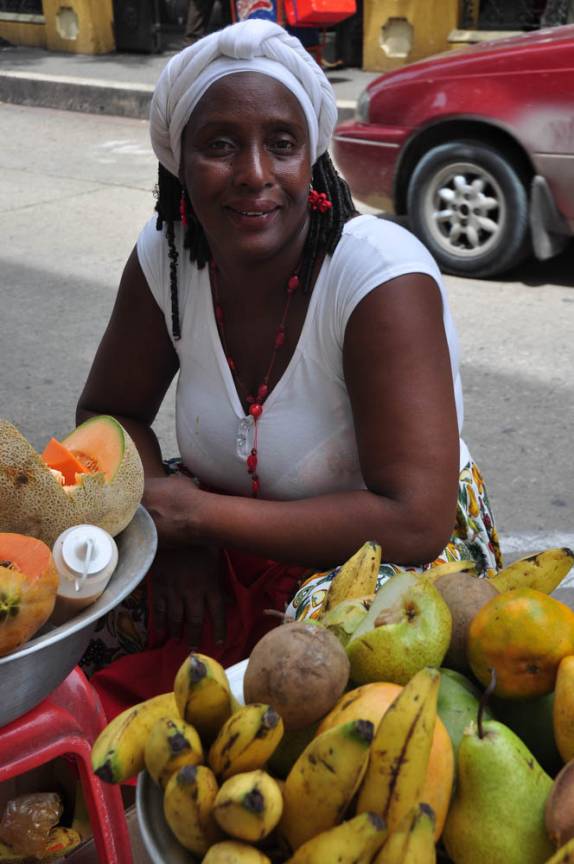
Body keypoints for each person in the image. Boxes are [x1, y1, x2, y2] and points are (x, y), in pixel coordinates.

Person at [76, 19, 502, 720]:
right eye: (219, 144)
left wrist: (195, 516)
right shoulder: (168, 255)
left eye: (281, 143)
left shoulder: (376, 275)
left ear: (312, 158)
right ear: (177, 161)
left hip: (388, 555)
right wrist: (164, 521)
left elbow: (415, 520)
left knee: (312, 666)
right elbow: (109, 414)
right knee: (84, 582)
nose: (254, 173)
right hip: (215, 529)